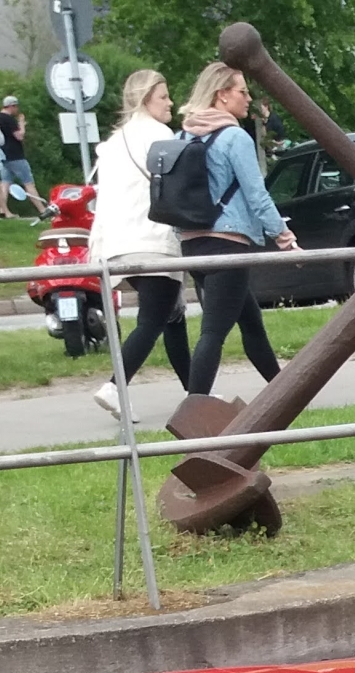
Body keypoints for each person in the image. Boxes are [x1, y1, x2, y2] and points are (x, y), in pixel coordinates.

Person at [173, 63, 294, 398]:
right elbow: (257, 194)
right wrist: (283, 236)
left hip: (193, 246)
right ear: (222, 95)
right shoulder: (234, 137)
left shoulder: (182, 136)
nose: (248, 98)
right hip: (228, 245)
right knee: (213, 331)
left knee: (250, 322)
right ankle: (194, 408)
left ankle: (285, 393)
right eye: (242, 91)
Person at [89, 68, 191, 418]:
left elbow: (102, 202)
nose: (170, 103)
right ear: (147, 99)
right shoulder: (160, 135)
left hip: (119, 243)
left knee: (173, 315)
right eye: (164, 96)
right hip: (152, 239)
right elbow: (175, 190)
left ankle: (196, 392)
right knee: (153, 318)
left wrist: (98, 247)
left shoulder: (113, 143)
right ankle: (114, 386)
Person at [0, 95, 44, 214]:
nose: (17, 109)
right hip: (16, 155)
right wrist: (21, 124)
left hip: (3, 154)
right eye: (16, 107)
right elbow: (19, 136)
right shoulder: (9, 119)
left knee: (5, 182)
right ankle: (42, 209)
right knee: (28, 182)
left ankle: (2, 209)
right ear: (12, 106)